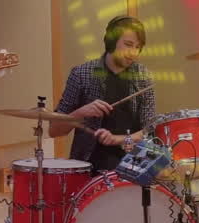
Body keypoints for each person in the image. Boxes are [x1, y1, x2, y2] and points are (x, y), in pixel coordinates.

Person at [50, 16, 156, 172]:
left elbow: (150, 130)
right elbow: (54, 130)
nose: (133, 53)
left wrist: (116, 140)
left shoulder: (143, 77)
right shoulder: (82, 74)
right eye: (128, 44)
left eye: (137, 47)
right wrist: (81, 112)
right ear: (111, 41)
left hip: (133, 167)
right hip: (88, 168)